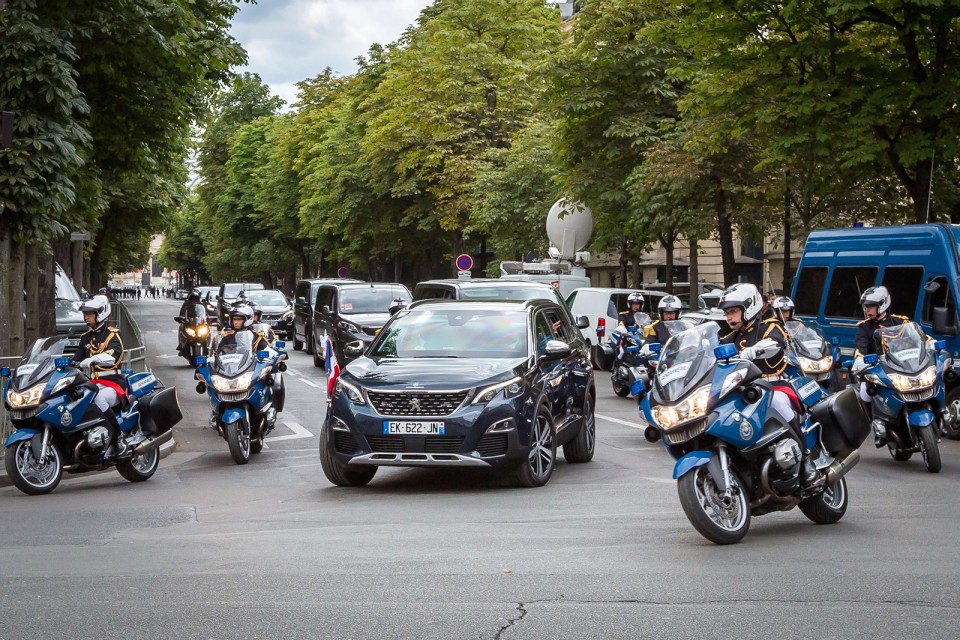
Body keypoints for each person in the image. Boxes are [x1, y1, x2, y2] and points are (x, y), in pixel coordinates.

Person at [718, 283, 822, 489]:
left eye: (733, 311)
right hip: (743, 392)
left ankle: (806, 461)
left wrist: (751, 352)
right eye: (727, 313)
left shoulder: (771, 326)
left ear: (749, 307)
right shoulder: (729, 338)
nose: (729, 317)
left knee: (780, 403)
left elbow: (775, 344)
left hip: (772, 386)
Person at [71, 295, 128, 459]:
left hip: (112, 383)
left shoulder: (112, 334)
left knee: (98, 400)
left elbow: (115, 355)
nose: (86, 316)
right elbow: (76, 359)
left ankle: (118, 439)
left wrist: (94, 358)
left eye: (90, 313)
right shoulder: (85, 338)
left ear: (100, 313)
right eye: (85, 314)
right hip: (93, 383)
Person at [852, 286, 908, 446]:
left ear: (882, 304)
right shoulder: (864, 327)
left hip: (903, 367)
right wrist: (861, 359)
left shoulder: (900, 321)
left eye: (870, 306)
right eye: (865, 306)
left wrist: (930, 343)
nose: (867, 310)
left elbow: (917, 338)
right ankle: (877, 424)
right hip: (878, 370)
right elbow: (860, 346)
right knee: (865, 390)